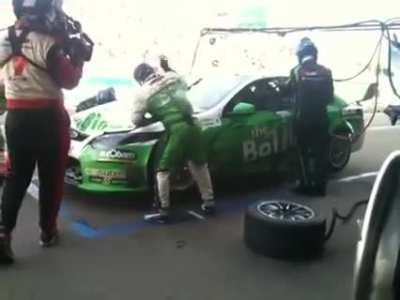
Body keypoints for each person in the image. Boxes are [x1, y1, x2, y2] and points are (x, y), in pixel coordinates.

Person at [0, 0, 86, 264]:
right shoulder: (47, 42)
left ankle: (3, 234)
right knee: (51, 178)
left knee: (16, 177)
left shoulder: (3, 38)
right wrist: (79, 59)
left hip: (15, 117)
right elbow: (70, 80)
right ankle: (48, 232)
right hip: (48, 117)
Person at [131, 61, 215, 222]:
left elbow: (136, 120)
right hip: (194, 125)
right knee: (199, 164)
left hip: (176, 130)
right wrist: (169, 69)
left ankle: (164, 210)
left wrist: (152, 118)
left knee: (163, 171)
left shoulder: (143, 93)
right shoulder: (173, 77)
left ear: (139, 79)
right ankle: (209, 202)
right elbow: (185, 86)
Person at [286, 38, 334, 196]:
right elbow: (329, 98)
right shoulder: (326, 71)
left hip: (303, 120)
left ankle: (305, 185)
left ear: (300, 55)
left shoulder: (297, 71)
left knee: (302, 154)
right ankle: (320, 187)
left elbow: (288, 90)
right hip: (321, 118)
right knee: (321, 154)